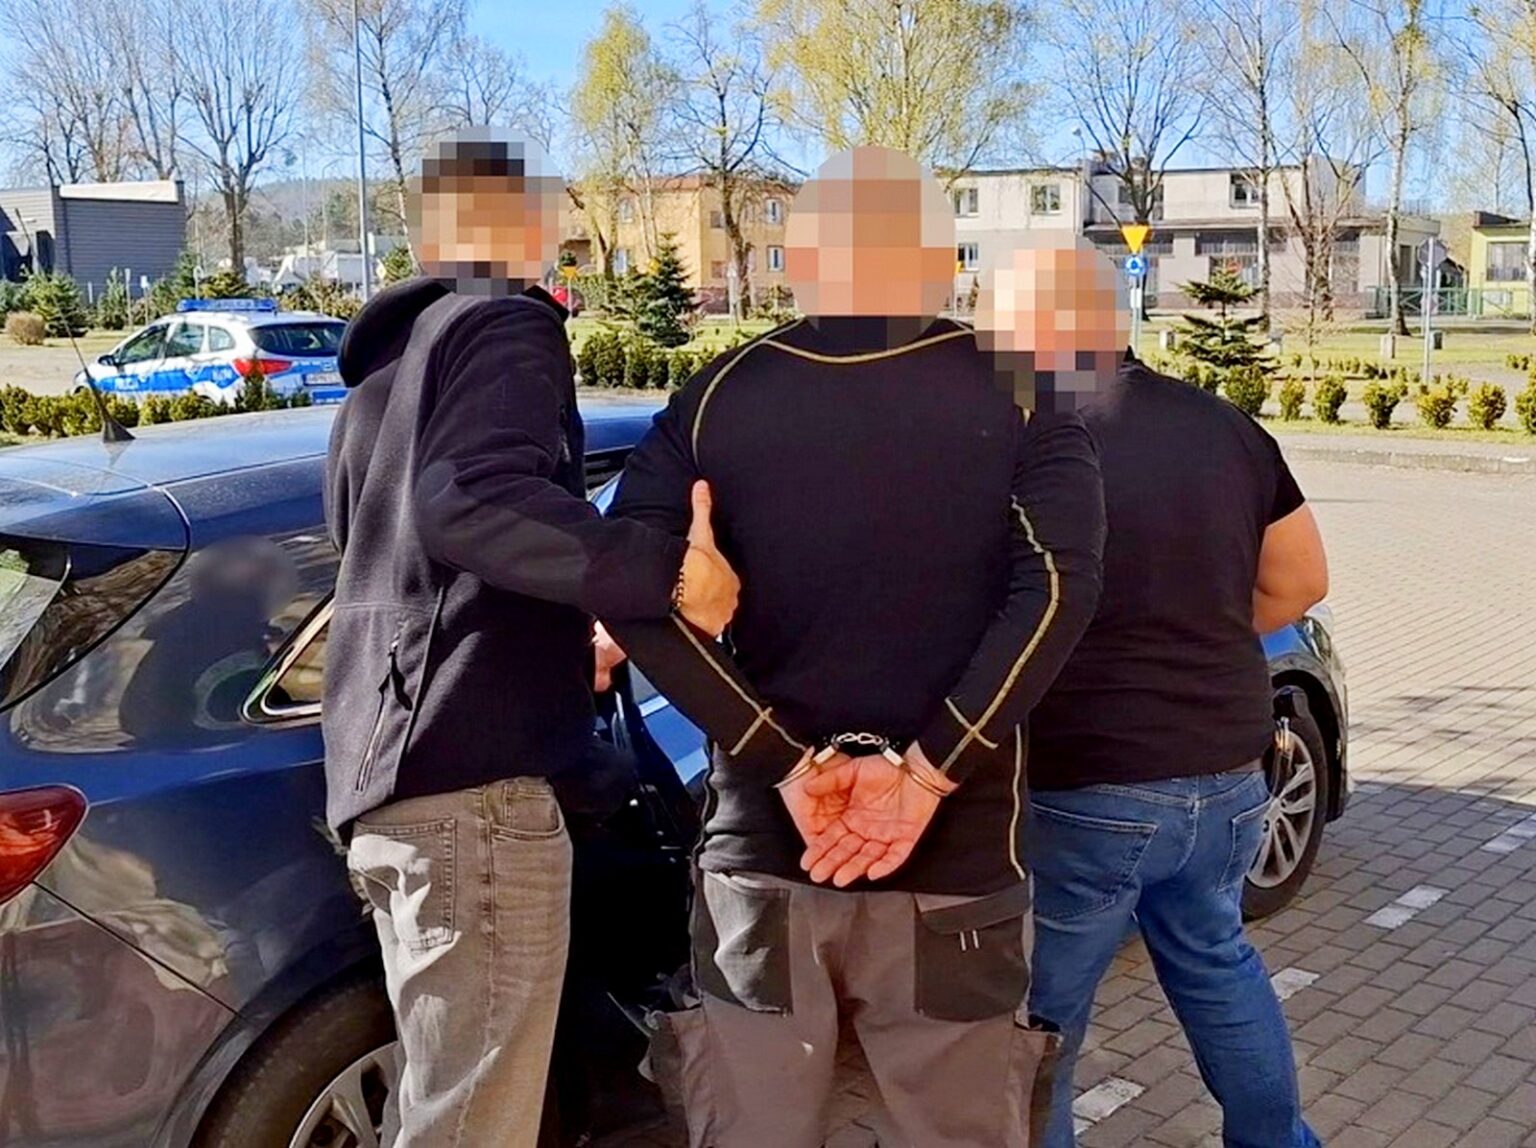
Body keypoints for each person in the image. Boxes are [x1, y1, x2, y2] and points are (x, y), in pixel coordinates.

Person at [603, 147, 1106, 1147]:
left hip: (764, 855)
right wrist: (927, 772)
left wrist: (785, 761)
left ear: (799, 259)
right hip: (957, 862)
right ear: (942, 259)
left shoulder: (717, 395)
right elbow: (1058, 590)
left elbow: (631, 593)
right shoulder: (1020, 392)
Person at [322, 129, 739, 1148]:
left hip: (384, 783)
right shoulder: (504, 321)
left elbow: (406, 573)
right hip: (475, 793)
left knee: (442, 1106)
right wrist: (666, 573)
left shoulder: (380, 380)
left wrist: (559, 649)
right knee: (474, 1125)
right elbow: (468, 501)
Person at [976, 243, 1327, 1148]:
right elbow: (1301, 581)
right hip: (1227, 769)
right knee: (1218, 965)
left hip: (1087, 785)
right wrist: (1198, 634)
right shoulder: (1224, 426)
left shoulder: (1021, 440)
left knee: (1041, 1016)